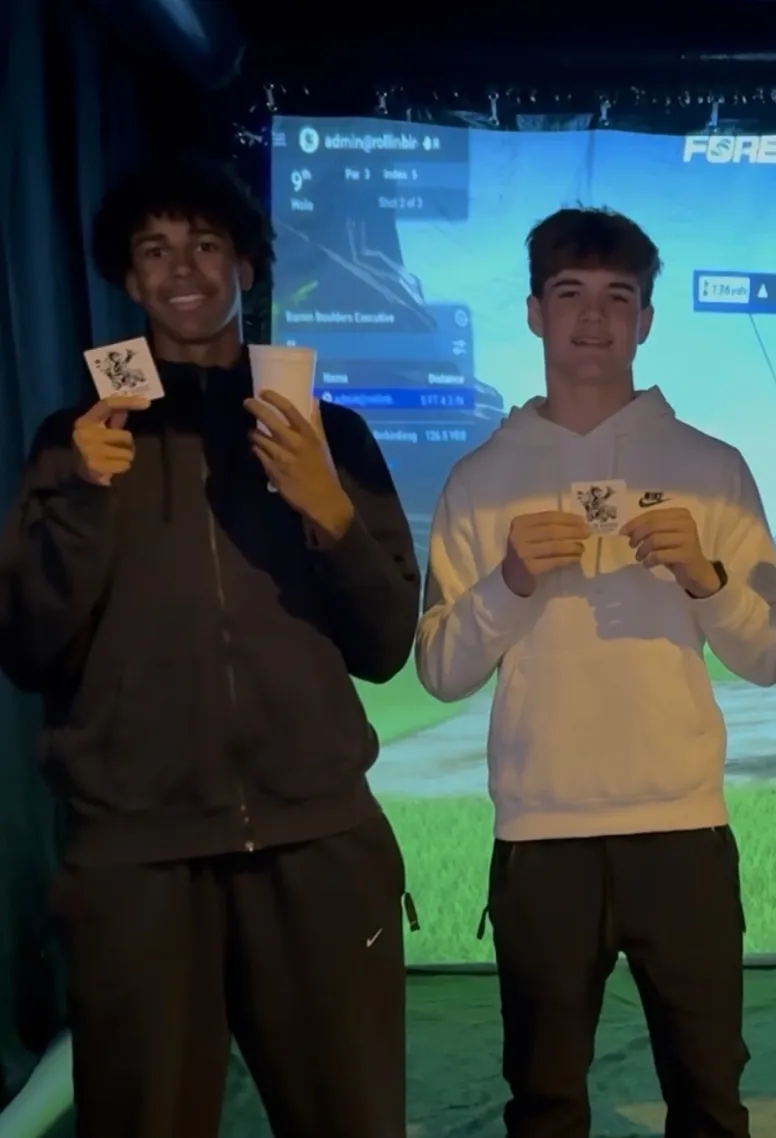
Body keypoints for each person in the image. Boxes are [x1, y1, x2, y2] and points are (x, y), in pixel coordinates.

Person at [0, 155, 421, 1138]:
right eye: (154, 250)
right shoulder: (72, 441)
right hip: (134, 862)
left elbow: (385, 643)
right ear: (127, 277)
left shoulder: (332, 435)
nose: (181, 268)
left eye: (204, 244)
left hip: (319, 844)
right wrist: (81, 501)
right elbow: (26, 648)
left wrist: (327, 510)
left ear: (244, 262)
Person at [417, 207, 776, 1137]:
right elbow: (438, 671)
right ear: (535, 313)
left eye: (617, 298)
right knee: (546, 1098)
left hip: (681, 827)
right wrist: (508, 583)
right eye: (571, 295)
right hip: (542, 833)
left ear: (646, 320)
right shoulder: (479, 478)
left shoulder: (710, 468)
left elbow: (768, 656)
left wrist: (705, 580)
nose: (594, 319)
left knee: (708, 1092)